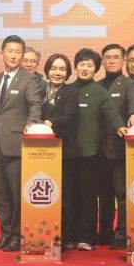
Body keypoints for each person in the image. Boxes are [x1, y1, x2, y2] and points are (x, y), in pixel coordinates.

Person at [0, 35, 42, 252]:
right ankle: (6, 234)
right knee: (1, 195)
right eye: (10, 51)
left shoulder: (29, 79)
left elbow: (35, 105)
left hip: (18, 144)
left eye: (18, 52)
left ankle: (18, 235)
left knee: (17, 194)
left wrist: (31, 125)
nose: (14, 56)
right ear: (2, 53)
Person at [72, 48, 127, 251]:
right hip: (68, 152)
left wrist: (120, 127)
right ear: (75, 66)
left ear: (96, 69)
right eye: (82, 64)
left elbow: (112, 113)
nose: (85, 68)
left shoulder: (100, 92)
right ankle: (71, 234)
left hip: (90, 152)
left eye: (90, 65)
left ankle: (88, 237)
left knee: (88, 197)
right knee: (71, 196)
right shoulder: (68, 90)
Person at [97, 44, 134, 250]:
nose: (112, 60)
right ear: (102, 61)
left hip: (119, 149)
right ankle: (104, 231)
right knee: (103, 194)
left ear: (123, 61)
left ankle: (122, 232)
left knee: (122, 194)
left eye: (116, 57)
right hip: (99, 150)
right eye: (108, 57)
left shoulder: (128, 84)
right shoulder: (97, 85)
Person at [41, 53, 79, 248]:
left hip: (65, 152)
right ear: (47, 70)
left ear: (68, 72)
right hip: (40, 153)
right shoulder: (40, 90)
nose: (58, 73)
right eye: (54, 68)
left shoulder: (71, 91)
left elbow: (69, 116)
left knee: (65, 198)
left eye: (62, 69)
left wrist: (49, 123)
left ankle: (63, 238)